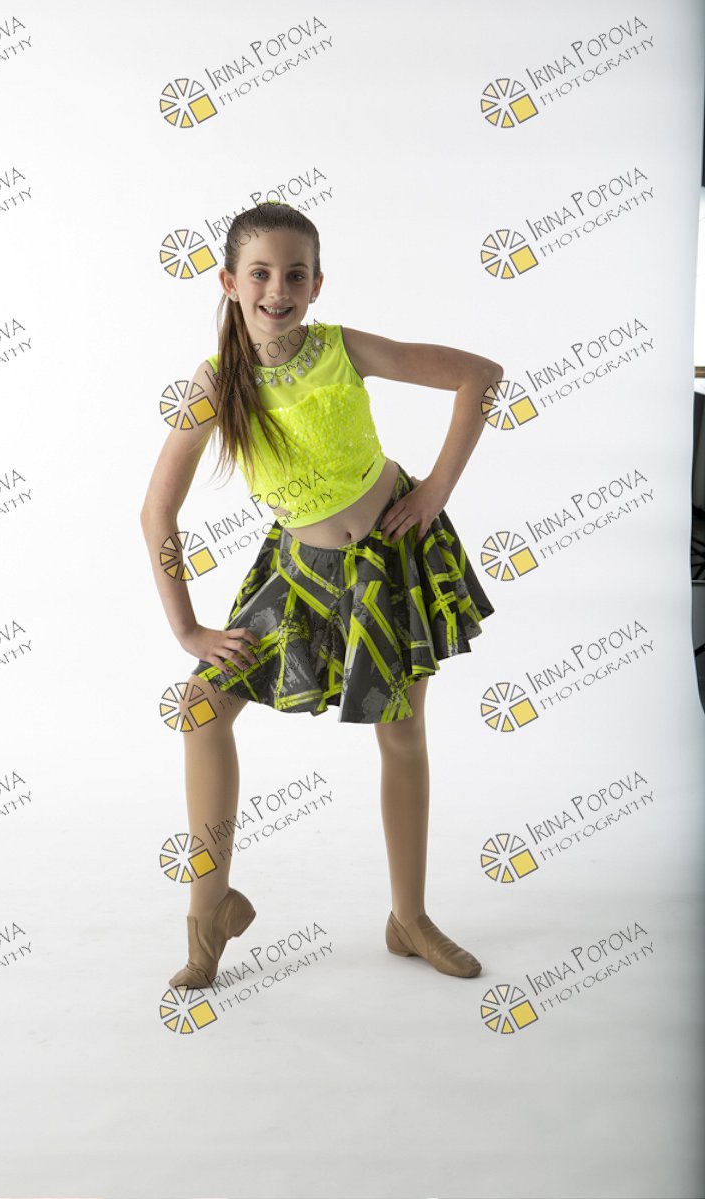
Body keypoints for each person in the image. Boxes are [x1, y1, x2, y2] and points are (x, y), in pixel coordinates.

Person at [140, 201, 502, 992]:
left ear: (316, 284)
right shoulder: (216, 383)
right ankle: (209, 909)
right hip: (299, 575)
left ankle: (409, 918)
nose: (278, 289)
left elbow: (479, 376)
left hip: (390, 562)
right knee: (202, 707)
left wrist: (434, 491)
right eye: (261, 273)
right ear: (230, 283)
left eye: (295, 274)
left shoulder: (344, 348)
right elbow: (156, 512)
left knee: (401, 732)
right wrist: (189, 630)